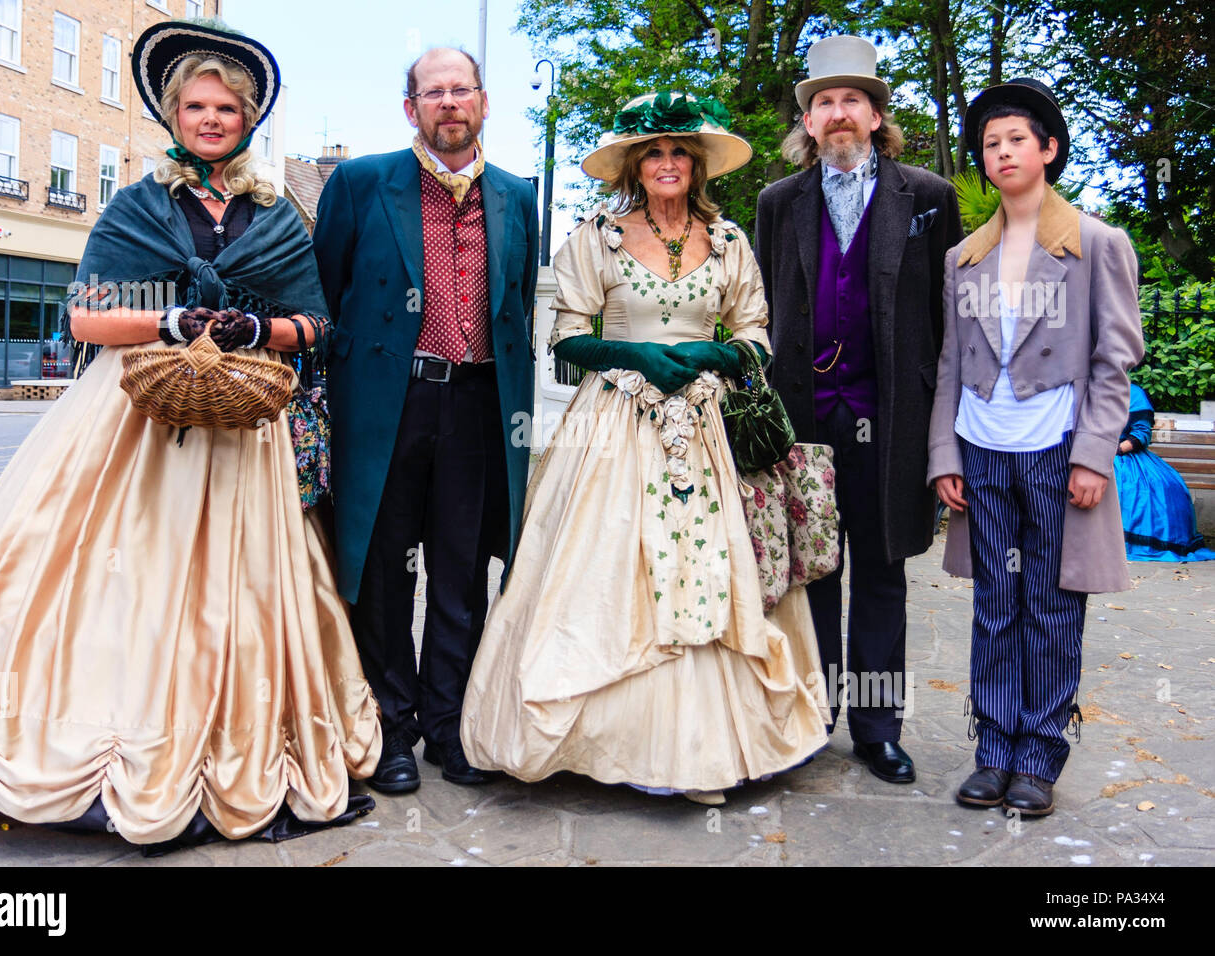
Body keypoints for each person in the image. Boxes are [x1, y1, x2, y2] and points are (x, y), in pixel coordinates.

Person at [0, 20, 381, 852]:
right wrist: (168, 318)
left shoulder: (277, 217)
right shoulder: (135, 205)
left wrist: (252, 329)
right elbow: (87, 314)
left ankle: (225, 757)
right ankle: (94, 750)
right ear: (172, 114)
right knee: (102, 575)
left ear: (246, 119)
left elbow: (316, 324)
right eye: (196, 105)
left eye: (227, 107)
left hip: (244, 424)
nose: (211, 118)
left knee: (238, 592)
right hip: (130, 413)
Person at [460, 92, 831, 805]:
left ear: (696, 167)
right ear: (636, 165)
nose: (667, 163)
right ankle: (595, 741)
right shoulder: (596, 233)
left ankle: (701, 756)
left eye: (679, 154)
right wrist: (628, 352)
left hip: (703, 424)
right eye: (654, 153)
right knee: (603, 568)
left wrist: (711, 355)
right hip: (614, 424)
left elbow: (755, 331)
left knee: (705, 564)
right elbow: (565, 335)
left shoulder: (728, 244)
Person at [312, 49, 538, 794]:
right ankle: (393, 725)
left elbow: (519, 312)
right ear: (411, 107)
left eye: (460, 90)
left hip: (477, 404)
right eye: (432, 92)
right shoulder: (360, 183)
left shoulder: (514, 195)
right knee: (382, 568)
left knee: (461, 568)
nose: (448, 102)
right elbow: (329, 292)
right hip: (388, 402)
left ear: (483, 101)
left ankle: (449, 725)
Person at [927, 78, 1145, 816]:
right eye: (991, 143)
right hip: (983, 449)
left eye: (1017, 139)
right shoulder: (964, 257)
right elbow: (952, 366)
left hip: (1057, 451)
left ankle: (1040, 755)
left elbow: (1115, 359)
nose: (1003, 152)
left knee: (1051, 604)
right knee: (996, 602)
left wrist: (1093, 452)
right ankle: (993, 749)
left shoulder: (1096, 244)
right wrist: (944, 457)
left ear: (1048, 149)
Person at [755, 36, 963, 784]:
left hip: (892, 416)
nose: (837, 115)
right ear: (808, 123)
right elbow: (764, 313)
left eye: (851, 101)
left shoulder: (929, 198)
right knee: (813, 573)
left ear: (876, 115)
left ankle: (878, 729)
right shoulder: (778, 204)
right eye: (823, 104)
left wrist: (945, 431)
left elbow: (948, 322)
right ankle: (811, 720)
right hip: (806, 422)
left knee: (881, 572)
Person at [1114, 383, 1215, 561]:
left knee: (1149, 487)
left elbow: (1141, 433)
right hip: (1091, 452)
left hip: (1124, 454)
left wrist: (1113, 450)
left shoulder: (1134, 393)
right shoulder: (1088, 388)